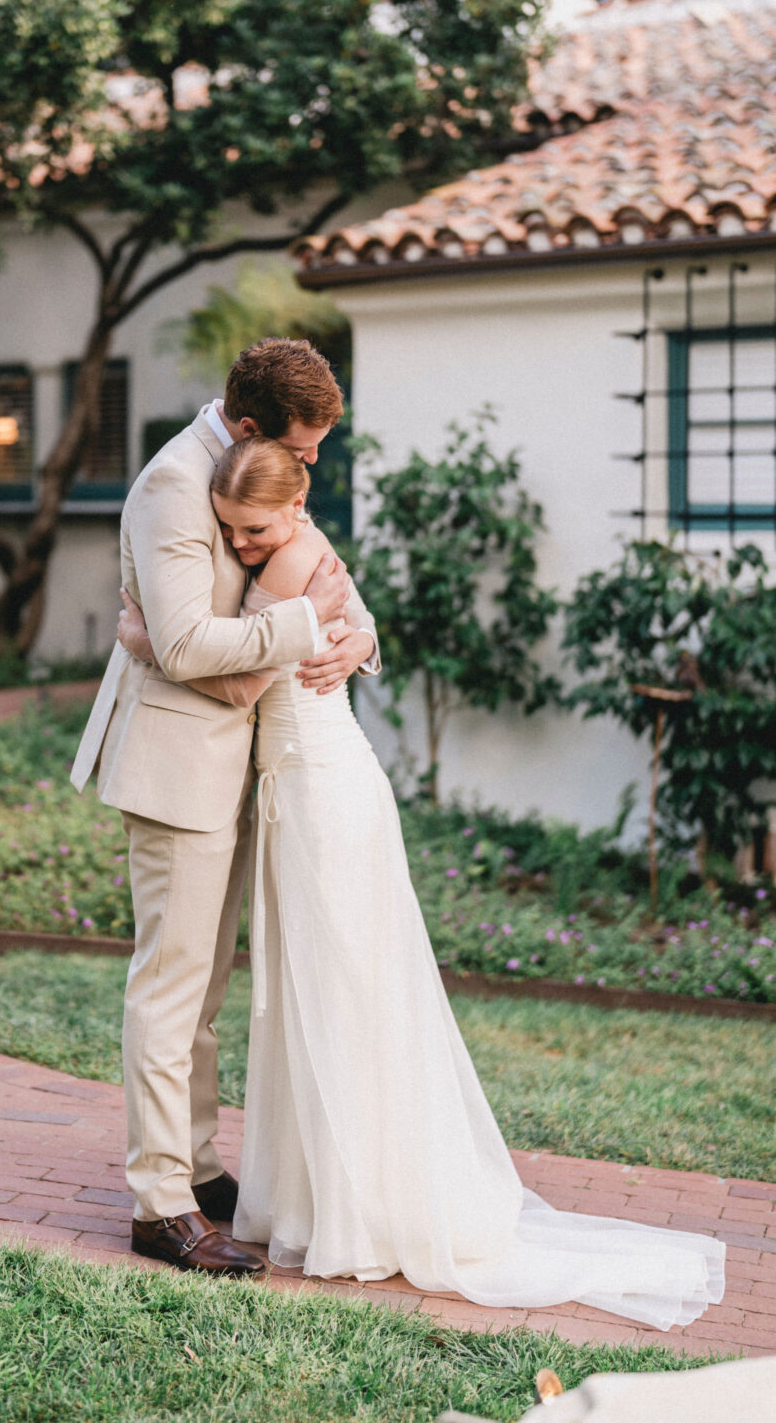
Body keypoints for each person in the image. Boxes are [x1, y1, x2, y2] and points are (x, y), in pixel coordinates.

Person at [116, 434, 726, 1332]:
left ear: (291, 506)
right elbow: (348, 629)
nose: (241, 546)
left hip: (320, 797)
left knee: (344, 997)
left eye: (250, 531)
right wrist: (352, 633)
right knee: (337, 997)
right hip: (313, 788)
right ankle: (324, 1190)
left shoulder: (288, 556)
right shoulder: (303, 541)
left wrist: (139, 634)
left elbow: (239, 679)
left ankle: (355, 1202)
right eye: (229, 533)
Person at [70, 339, 381, 1277]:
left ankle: (197, 1168)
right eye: (306, 447)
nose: (314, 468)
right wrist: (298, 627)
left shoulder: (263, 474)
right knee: (169, 988)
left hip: (246, 761)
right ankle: (158, 1204)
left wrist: (351, 636)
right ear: (247, 425)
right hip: (176, 767)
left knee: (203, 991)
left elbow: (333, 588)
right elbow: (183, 639)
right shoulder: (173, 485)